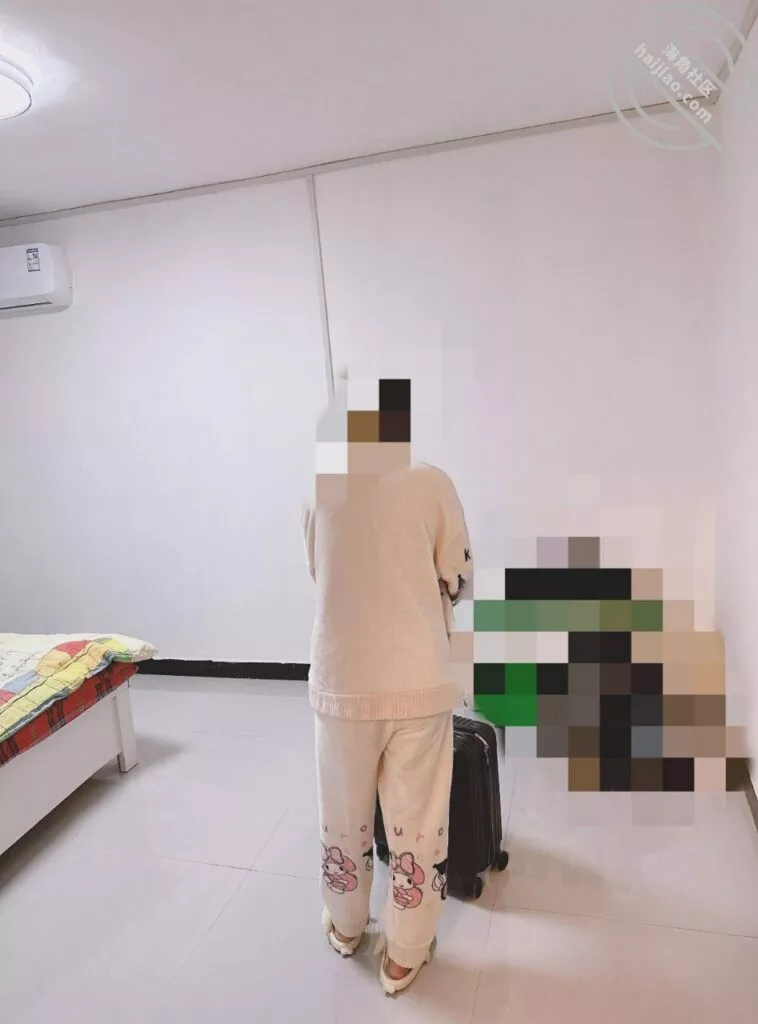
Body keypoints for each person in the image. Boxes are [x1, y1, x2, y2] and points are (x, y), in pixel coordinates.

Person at [303, 375, 471, 995]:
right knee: (418, 820)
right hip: (418, 680)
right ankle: (405, 952)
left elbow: (319, 570)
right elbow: (456, 575)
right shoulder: (432, 483)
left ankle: (348, 925)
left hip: (342, 679)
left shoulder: (318, 490)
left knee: (343, 814)